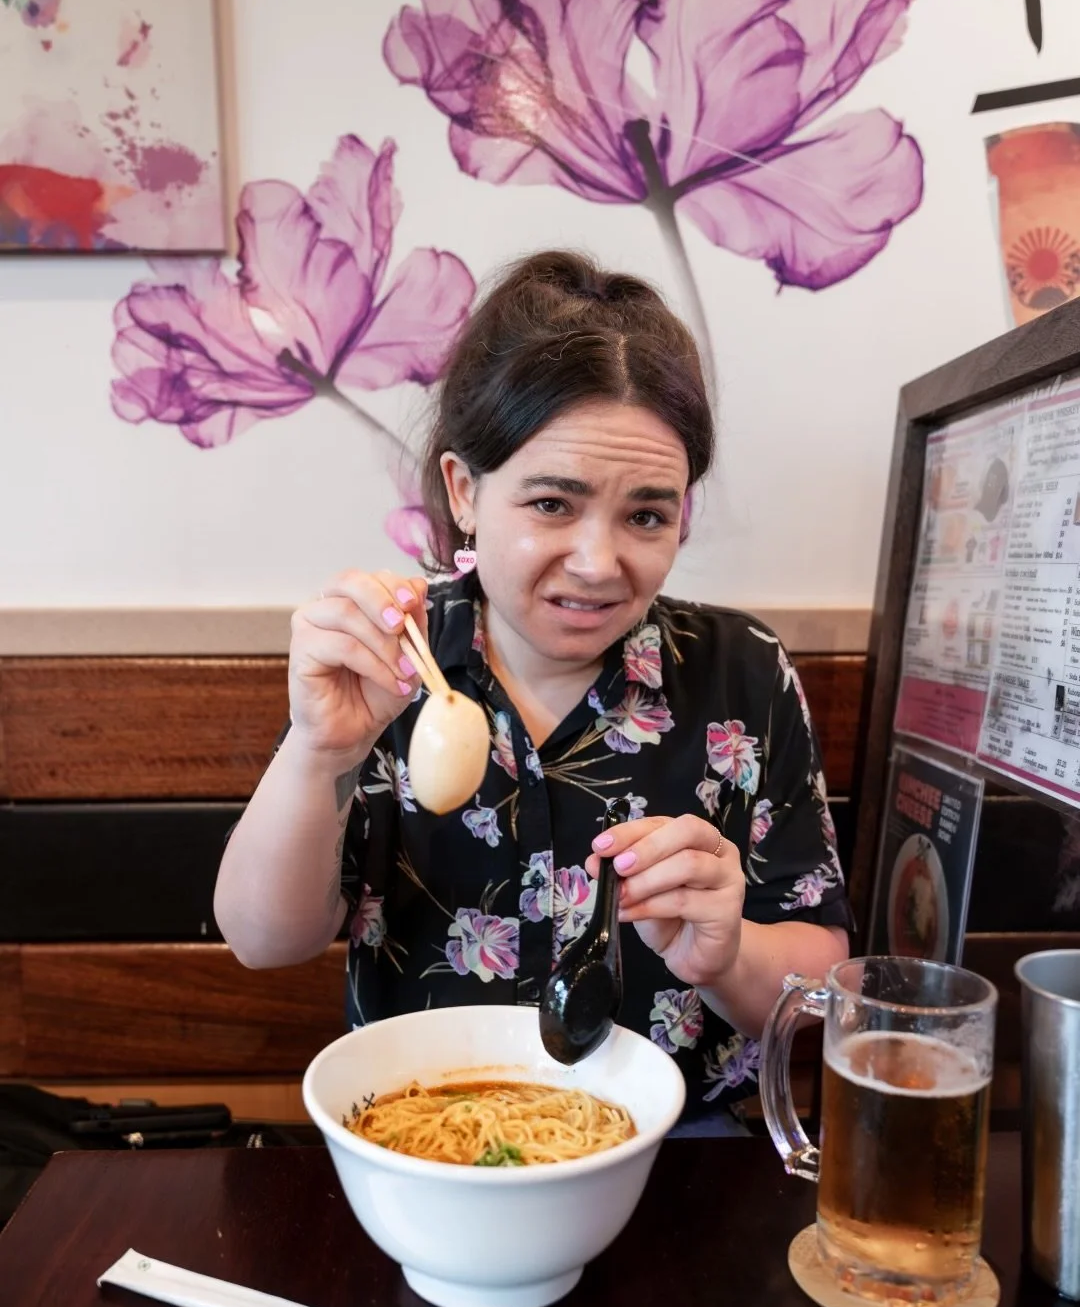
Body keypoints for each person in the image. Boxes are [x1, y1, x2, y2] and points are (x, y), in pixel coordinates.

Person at [214, 251, 851, 1134]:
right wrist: (318, 750)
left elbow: (818, 985)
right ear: (465, 491)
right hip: (424, 1141)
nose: (598, 563)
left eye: (646, 515)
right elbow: (264, 941)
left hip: (681, 1166)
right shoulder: (390, 657)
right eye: (553, 503)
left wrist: (730, 950)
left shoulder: (740, 669)